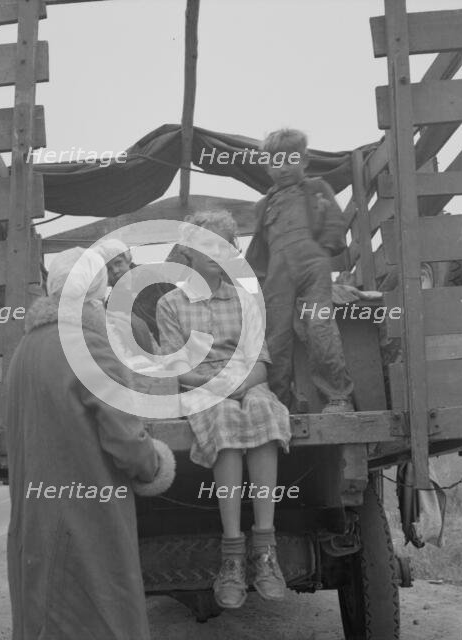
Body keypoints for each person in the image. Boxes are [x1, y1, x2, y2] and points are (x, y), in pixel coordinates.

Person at [5, 247, 176, 640]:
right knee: (101, 618)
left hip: (38, 516)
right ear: (93, 298)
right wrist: (155, 465)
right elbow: (125, 438)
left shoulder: (24, 350)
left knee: (45, 617)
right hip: (85, 517)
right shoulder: (89, 345)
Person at [156, 211, 291, 609]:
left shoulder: (247, 300)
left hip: (248, 382)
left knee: (265, 413)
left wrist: (238, 384)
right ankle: (232, 552)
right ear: (188, 253)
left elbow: (260, 362)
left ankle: (265, 549)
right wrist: (217, 388)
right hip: (201, 389)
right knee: (224, 419)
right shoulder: (170, 304)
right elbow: (176, 370)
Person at [245, 128, 354, 413]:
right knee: (275, 337)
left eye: (290, 160)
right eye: (275, 162)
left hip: (312, 266)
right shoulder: (263, 205)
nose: (283, 168)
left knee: (319, 326)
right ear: (267, 167)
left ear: (304, 160)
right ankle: (281, 402)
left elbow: (334, 223)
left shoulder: (317, 188)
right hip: (278, 275)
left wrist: (324, 252)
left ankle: (338, 396)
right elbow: (259, 248)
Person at [96, 239, 176, 346]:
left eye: (118, 263)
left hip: (177, 341)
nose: (115, 271)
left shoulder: (154, 278)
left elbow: (181, 305)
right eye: (108, 269)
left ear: (128, 259)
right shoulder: (112, 303)